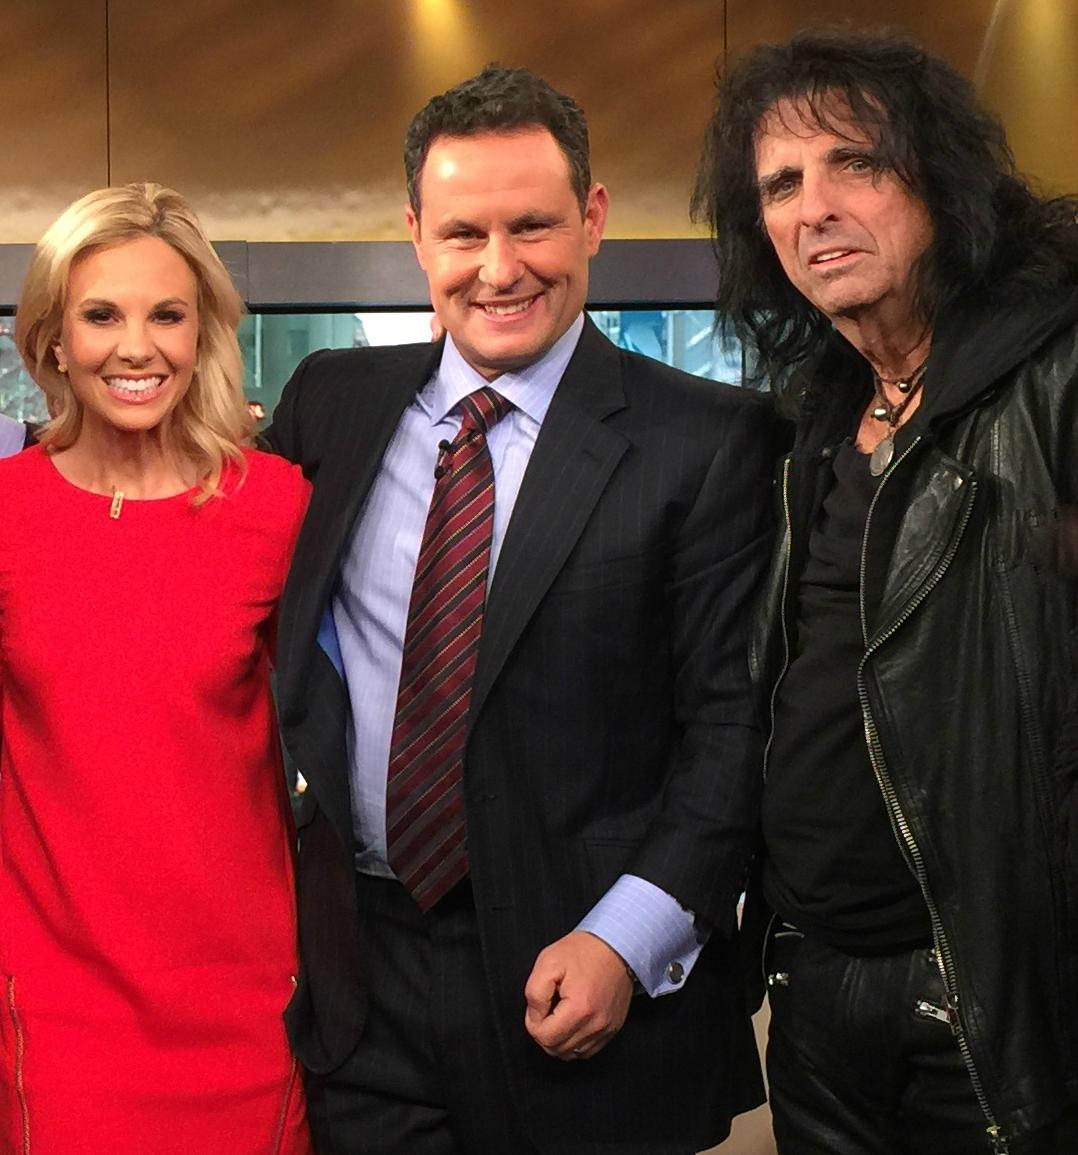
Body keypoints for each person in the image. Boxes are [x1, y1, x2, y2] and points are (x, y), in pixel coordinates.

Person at [267, 65, 779, 1155]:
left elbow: (734, 732)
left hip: (586, 982)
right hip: (362, 983)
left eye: (532, 225)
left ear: (592, 218)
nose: (499, 269)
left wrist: (627, 937)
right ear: (416, 234)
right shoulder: (329, 406)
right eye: (463, 233)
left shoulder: (710, 439)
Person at [692, 26, 1078, 1155]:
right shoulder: (816, 414)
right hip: (811, 986)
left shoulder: (1057, 373)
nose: (814, 208)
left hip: (998, 999)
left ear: (943, 182)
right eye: (781, 184)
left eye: (854, 163)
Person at [2, 183, 313, 1154]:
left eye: (166, 316)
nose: (137, 348)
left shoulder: (276, 507)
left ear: (202, 332)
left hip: (247, 1006)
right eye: (102, 315)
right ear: (55, 340)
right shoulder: (6, 514)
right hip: (58, 1018)